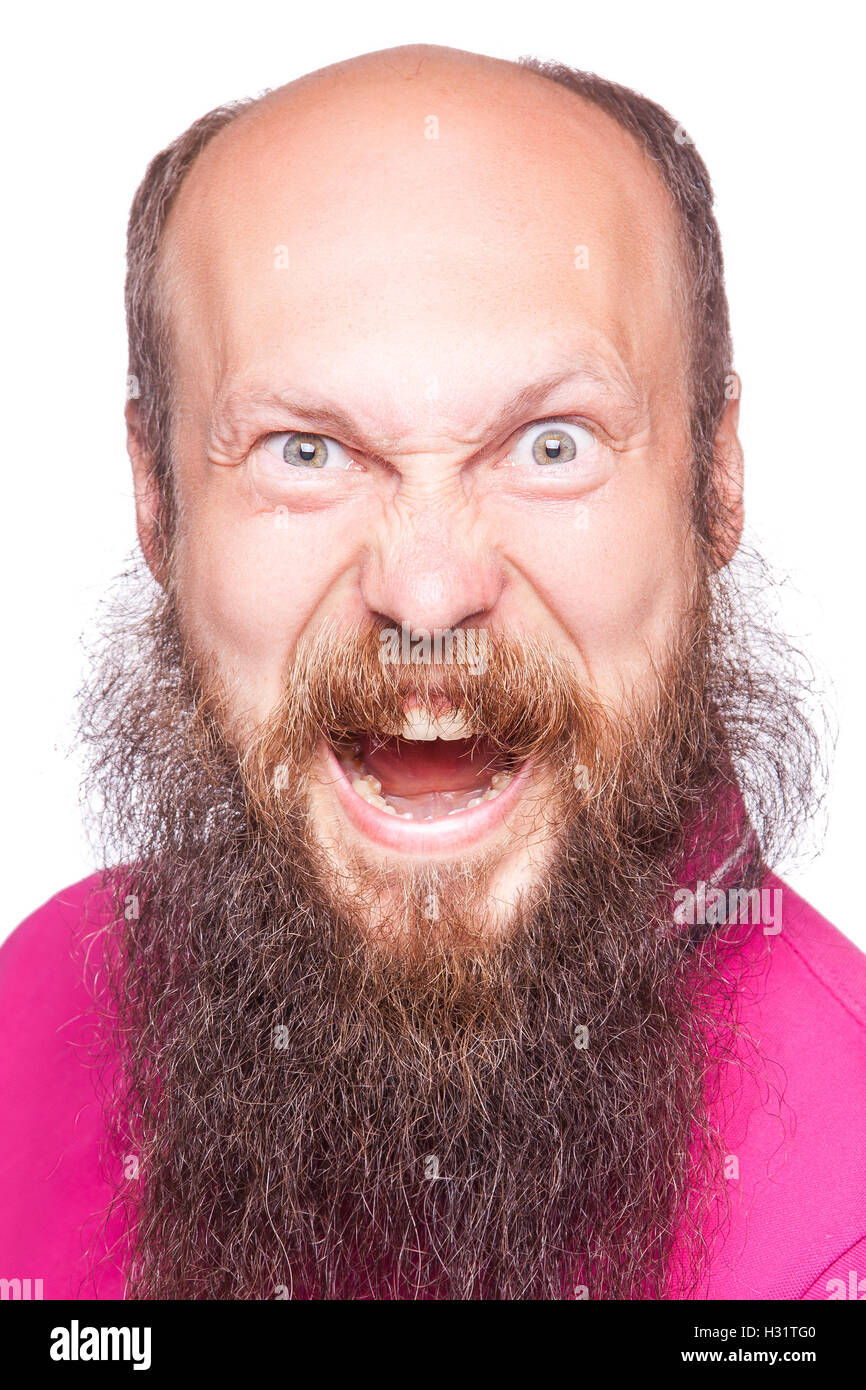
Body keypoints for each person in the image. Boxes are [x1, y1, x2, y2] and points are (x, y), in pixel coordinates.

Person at [2, 44, 864, 1301]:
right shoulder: (29, 1013)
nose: (423, 591)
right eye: (304, 452)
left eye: (550, 444)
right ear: (155, 498)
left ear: (714, 477)